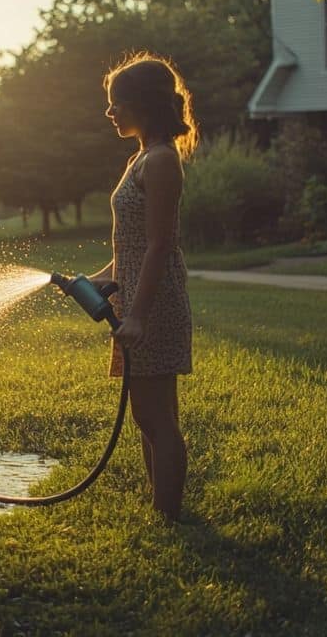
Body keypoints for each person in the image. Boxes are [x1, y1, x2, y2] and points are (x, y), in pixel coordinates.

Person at [88, 51, 198, 521]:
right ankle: (163, 510)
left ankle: (169, 517)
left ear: (144, 104)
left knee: (156, 419)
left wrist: (137, 315)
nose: (110, 111)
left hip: (153, 305)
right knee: (147, 418)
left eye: (118, 102)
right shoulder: (141, 159)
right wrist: (97, 281)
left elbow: (159, 246)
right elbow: (130, 245)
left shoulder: (159, 162)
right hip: (139, 298)